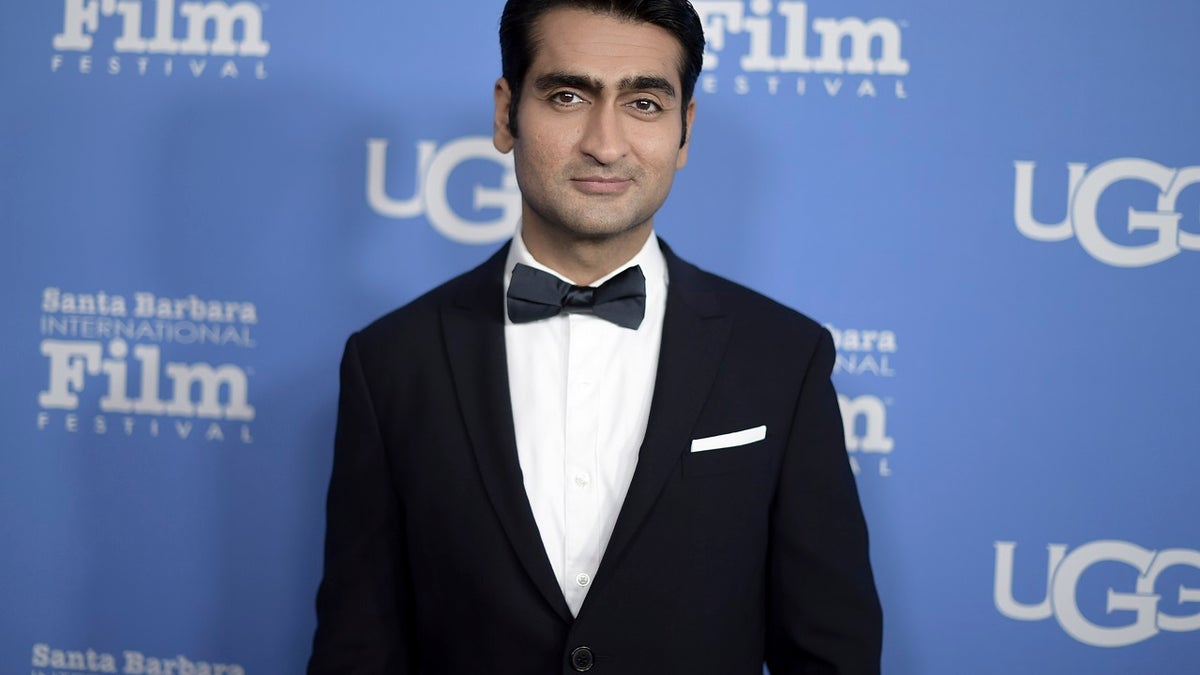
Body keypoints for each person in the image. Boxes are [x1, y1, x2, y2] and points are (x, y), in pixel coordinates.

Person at [307, 1, 882, 673]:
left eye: (644, 103)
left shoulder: (785, 359)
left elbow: (831, 653)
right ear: (505, 113)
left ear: (685, 130)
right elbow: (358, 647)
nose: (605, 144)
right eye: (569, 95)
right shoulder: (389, 364)